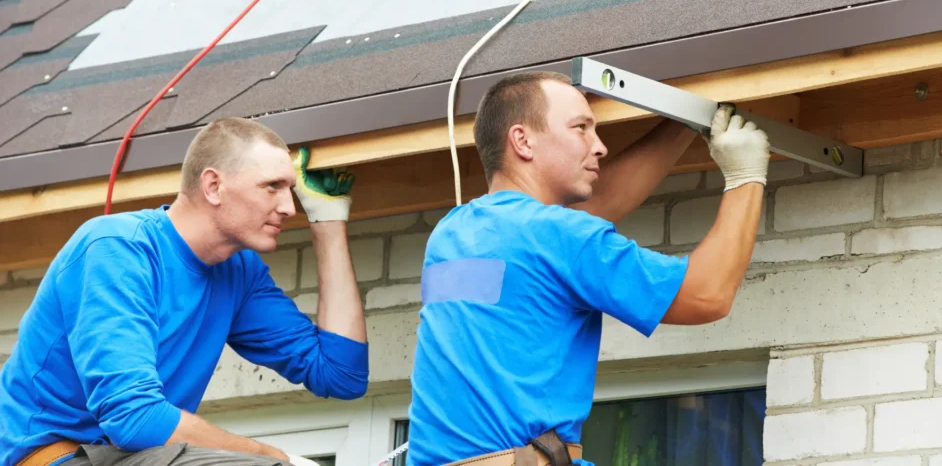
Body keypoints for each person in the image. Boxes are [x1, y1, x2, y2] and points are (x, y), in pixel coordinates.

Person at [406, 71, 769, 466]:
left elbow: (580, 224)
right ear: (522, 141)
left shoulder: (452, 234)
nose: (600, 146)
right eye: (581, 128)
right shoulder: (560, 238)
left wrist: (686, 121)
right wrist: (746, 176)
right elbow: (707, 294)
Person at [0, 118, 369, 466]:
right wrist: (274, 457)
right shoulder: (117, 249)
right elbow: (135, 418)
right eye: (272, 187)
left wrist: (327, 219)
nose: (289, 207)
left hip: (130, 455)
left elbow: (340, 374)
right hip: (57, 457)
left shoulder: (238, 273)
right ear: (213, 186)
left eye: (291, 190)